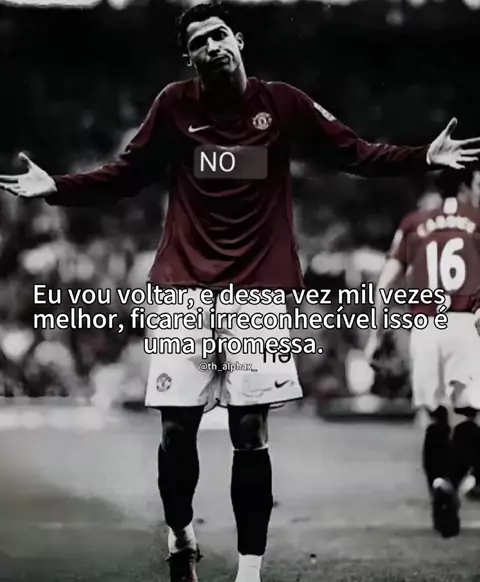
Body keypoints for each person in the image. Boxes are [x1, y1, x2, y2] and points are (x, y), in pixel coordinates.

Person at [1, 1, 480, 579]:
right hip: (183, 286)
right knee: (176, 429)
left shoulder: (282, 104)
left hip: (258, 291)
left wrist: (423, 156)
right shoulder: (174, 105)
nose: (211, 46)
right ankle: (181, 532)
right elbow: (125, 174)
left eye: (219, 34)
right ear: (190, 58)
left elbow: (354, 152)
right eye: (198, 42)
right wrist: (57, 187)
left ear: (239, 39)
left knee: (249, 431)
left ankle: (249, 571)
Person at [365, 169, 480, 539]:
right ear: (466, 186)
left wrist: (376, 336)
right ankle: (449, 482)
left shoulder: (414, 223)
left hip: (426, 326)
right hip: (466, 323)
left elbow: (385, 284)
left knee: (433, 416)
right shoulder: (477, 219)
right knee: (468, 414)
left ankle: (437, 491)